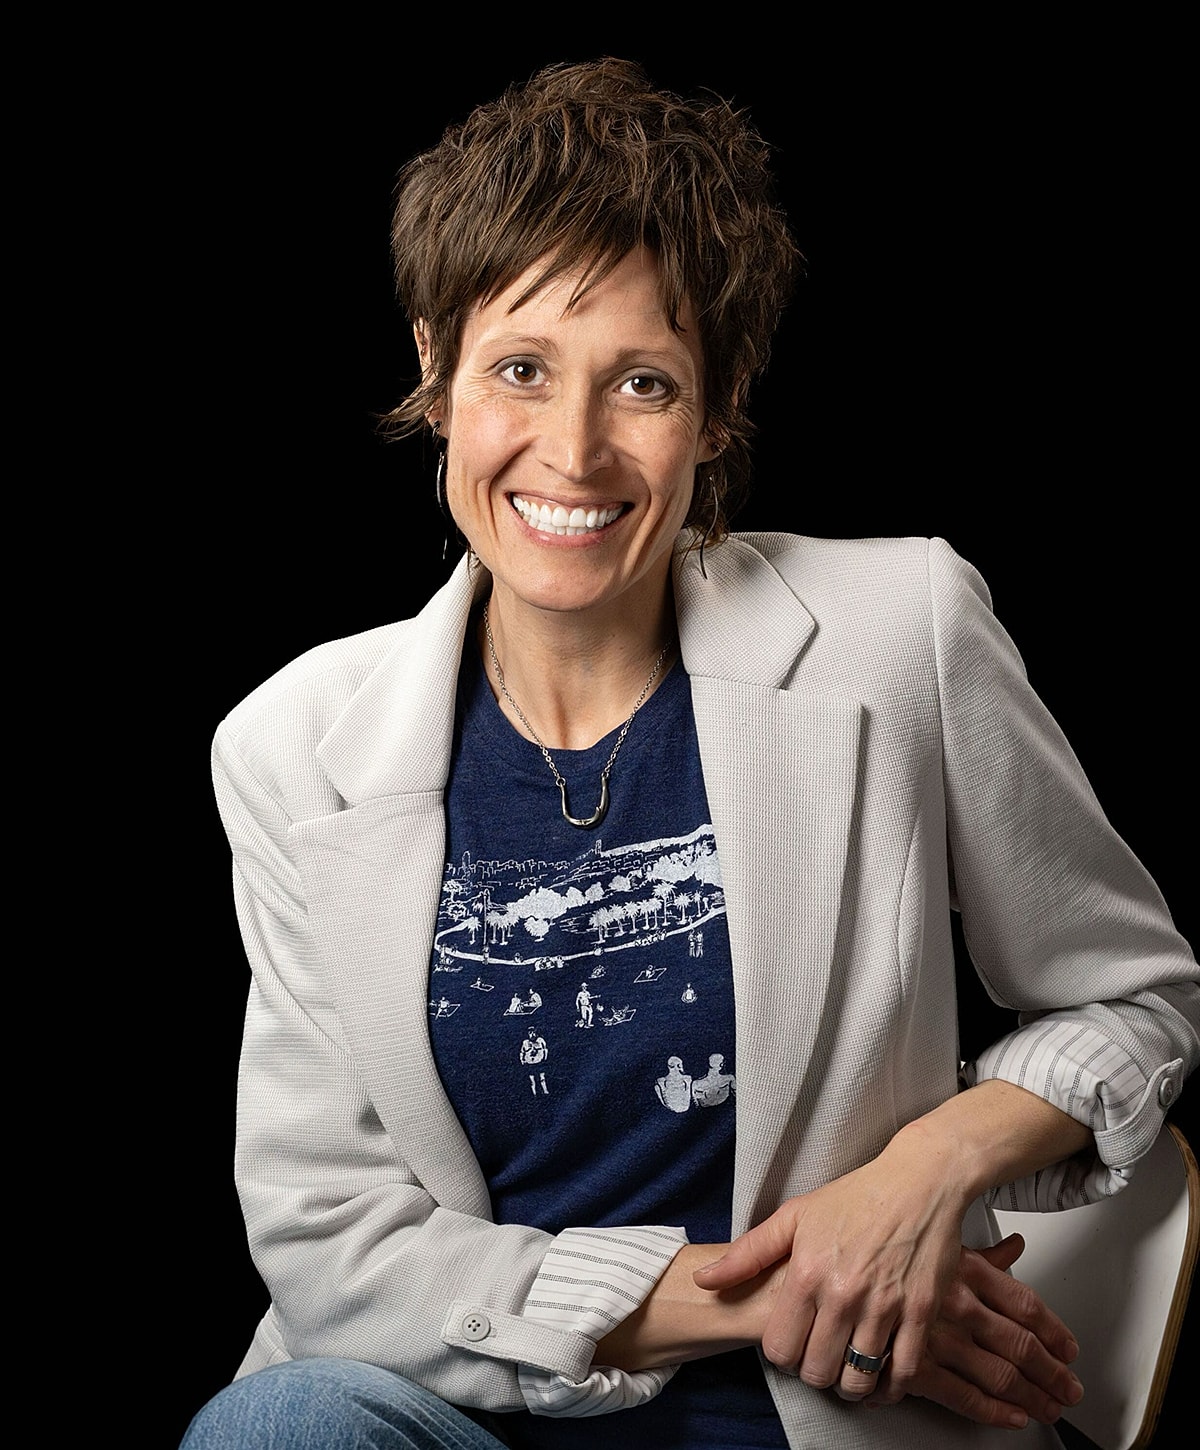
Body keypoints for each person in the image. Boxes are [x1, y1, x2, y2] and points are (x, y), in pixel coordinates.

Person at [183, 58, 1198, 1450]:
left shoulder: (898, 632)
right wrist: (767, 1287)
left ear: (717, 410)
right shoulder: (293, 742)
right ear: (436, 365)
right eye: (522, 370)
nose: (575, 450)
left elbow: (1135, 999)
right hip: (443, 1412)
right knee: (280, 1427)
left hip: (823, 1419)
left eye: (644, 383)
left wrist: (918, 1173)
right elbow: (331, 1240)